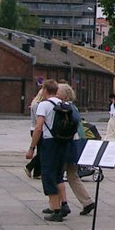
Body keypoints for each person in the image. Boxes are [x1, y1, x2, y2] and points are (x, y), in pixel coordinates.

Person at [26, 80, 69, 221]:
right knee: (58, 174)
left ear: (45, 90)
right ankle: (64, 204)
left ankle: (56, 211)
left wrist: (32, 148)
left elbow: (38, 128)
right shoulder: (65, 104)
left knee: (48, 175)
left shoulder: (43, 105)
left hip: (50, 143)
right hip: (63, 142)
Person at [55, 83, 96, 216]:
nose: (56, 93)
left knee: (57, 175)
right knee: (73, 176)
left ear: (65, 94)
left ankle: (57, 205)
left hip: (69, 146)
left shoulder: (68, 108)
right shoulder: (72, 107)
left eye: (58, 91)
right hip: (75, 144)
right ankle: (87, 202)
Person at [24, 84, 47, 179]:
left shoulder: (34, 104)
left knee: (41, 151)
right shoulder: (39, 105)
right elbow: (40, 120)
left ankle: (37, 172)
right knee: (43, 152)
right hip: (38, 129)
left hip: (34, 129)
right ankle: (30, 166)